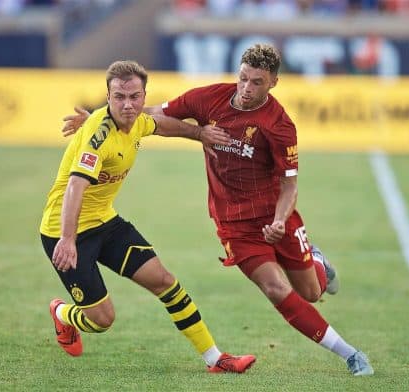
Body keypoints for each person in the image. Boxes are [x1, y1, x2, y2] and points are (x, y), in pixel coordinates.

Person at [62, 45, 374, 376]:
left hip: (275, 216)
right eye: (243, 78)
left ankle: (316, 261)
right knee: (274, 288)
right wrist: (100, 118)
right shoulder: (208, 98)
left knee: (310, 291)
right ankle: (350, 354)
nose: (246, 88)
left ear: (273, 83)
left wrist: (281, 221)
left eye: (257, 82)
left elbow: (289, 186)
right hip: (234, 223)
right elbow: (151, 111)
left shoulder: (279, 126)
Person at [40, 60, 255, 373]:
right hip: (65, 229)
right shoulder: (97, 138)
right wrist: (68, 239)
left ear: (143, 96)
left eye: (134, 97)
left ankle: (216, 359)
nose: (128, 105)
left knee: (165, 282)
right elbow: (75, 186)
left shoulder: (138, 120)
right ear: (108, 97)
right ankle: (61, 314)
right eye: (119, 98)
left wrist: (198, 133)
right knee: (102, 321)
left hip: (105, 223)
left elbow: (163, 124)